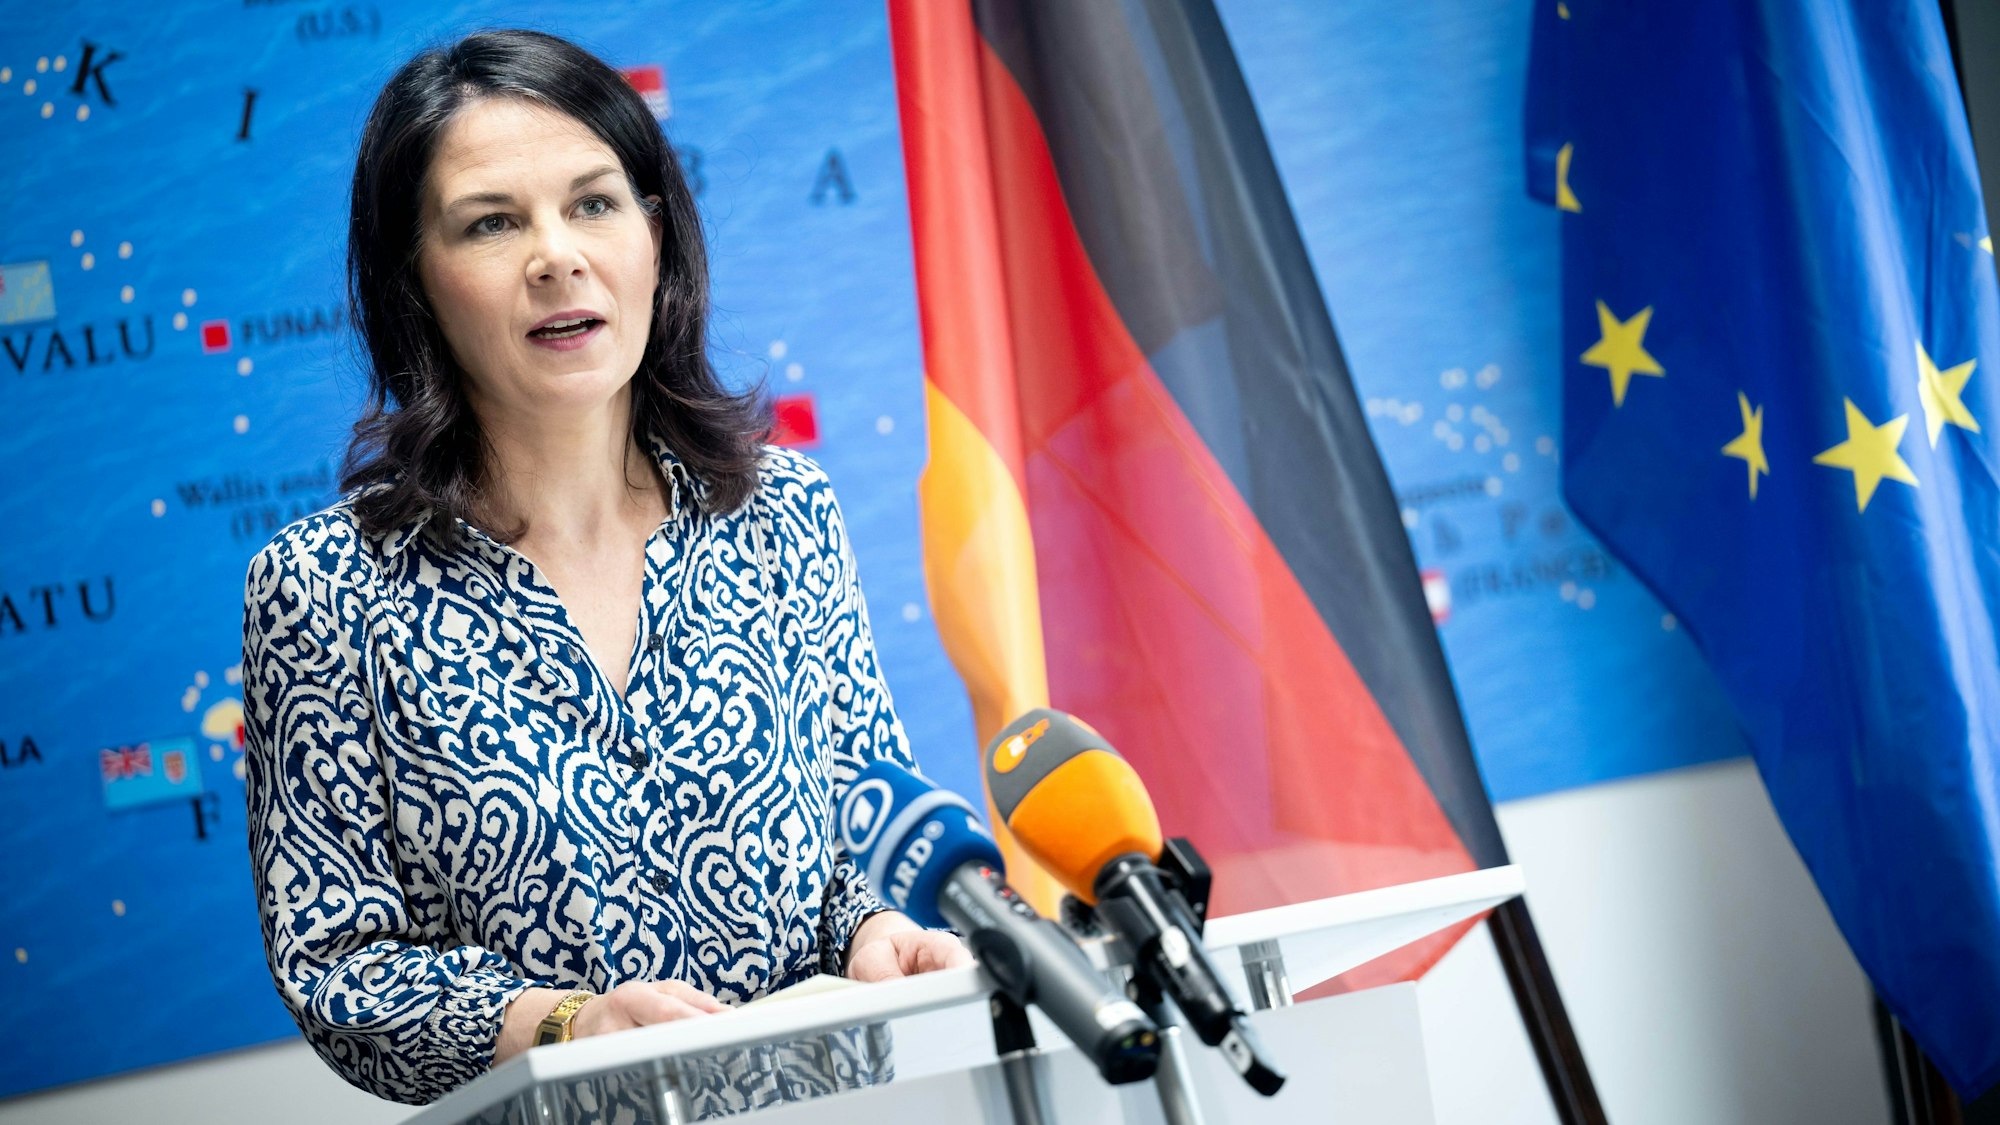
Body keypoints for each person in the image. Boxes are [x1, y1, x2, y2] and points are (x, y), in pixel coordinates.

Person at [241, 28, 968, 1108]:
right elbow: (340, 967)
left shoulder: (785, 515)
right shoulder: (325, 589)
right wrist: (567, 1024)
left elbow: (857, 823)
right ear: (416, 283)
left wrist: (877, 931)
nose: (556, 256)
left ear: (654, 236)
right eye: (492, 223)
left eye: (593, 203)